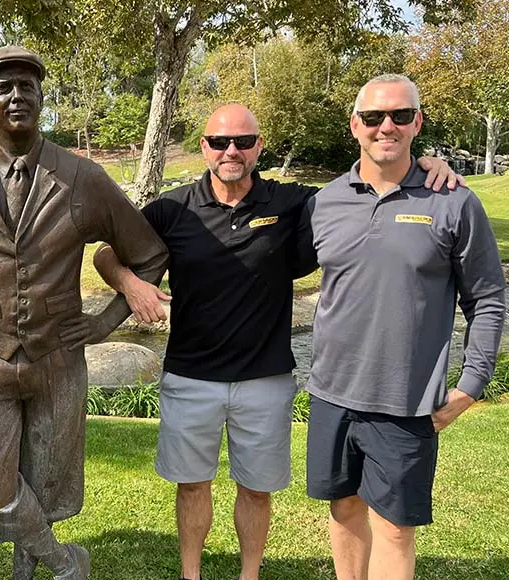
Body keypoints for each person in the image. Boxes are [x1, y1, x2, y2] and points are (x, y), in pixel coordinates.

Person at [93, 103, 461, 580]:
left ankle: (250, 575)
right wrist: (129, 282)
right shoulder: (171, 208)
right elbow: (105, 253)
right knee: (191, 486)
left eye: (244, 142)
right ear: (204, 146)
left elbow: (367, 181)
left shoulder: (291, 203)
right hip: (189, 376)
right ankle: (191, 574)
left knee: (256, 488)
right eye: (221, 142)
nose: (232, 151)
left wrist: (426, 163)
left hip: (265, 380)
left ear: (258, 147)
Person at [0, 46, 168, 580]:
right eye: (3, 87)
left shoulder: (83, 178)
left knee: (46, 485)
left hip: (58, 358)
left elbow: (150, 253)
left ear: (41, 96)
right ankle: (66, 562)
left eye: (27, 86)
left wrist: (106, 322)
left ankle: (25, 572)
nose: (17, 96)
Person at [300, 74, 505, 580]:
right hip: (331, 392)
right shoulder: (324, 201)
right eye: (373, 117)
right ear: (355, 125)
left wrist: (471, 385)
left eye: (398, 115)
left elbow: (489, 298)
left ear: (417, 122)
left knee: (394, 528)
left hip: (406, 400)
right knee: (344, 509)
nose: (384, 126)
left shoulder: (453, 201)